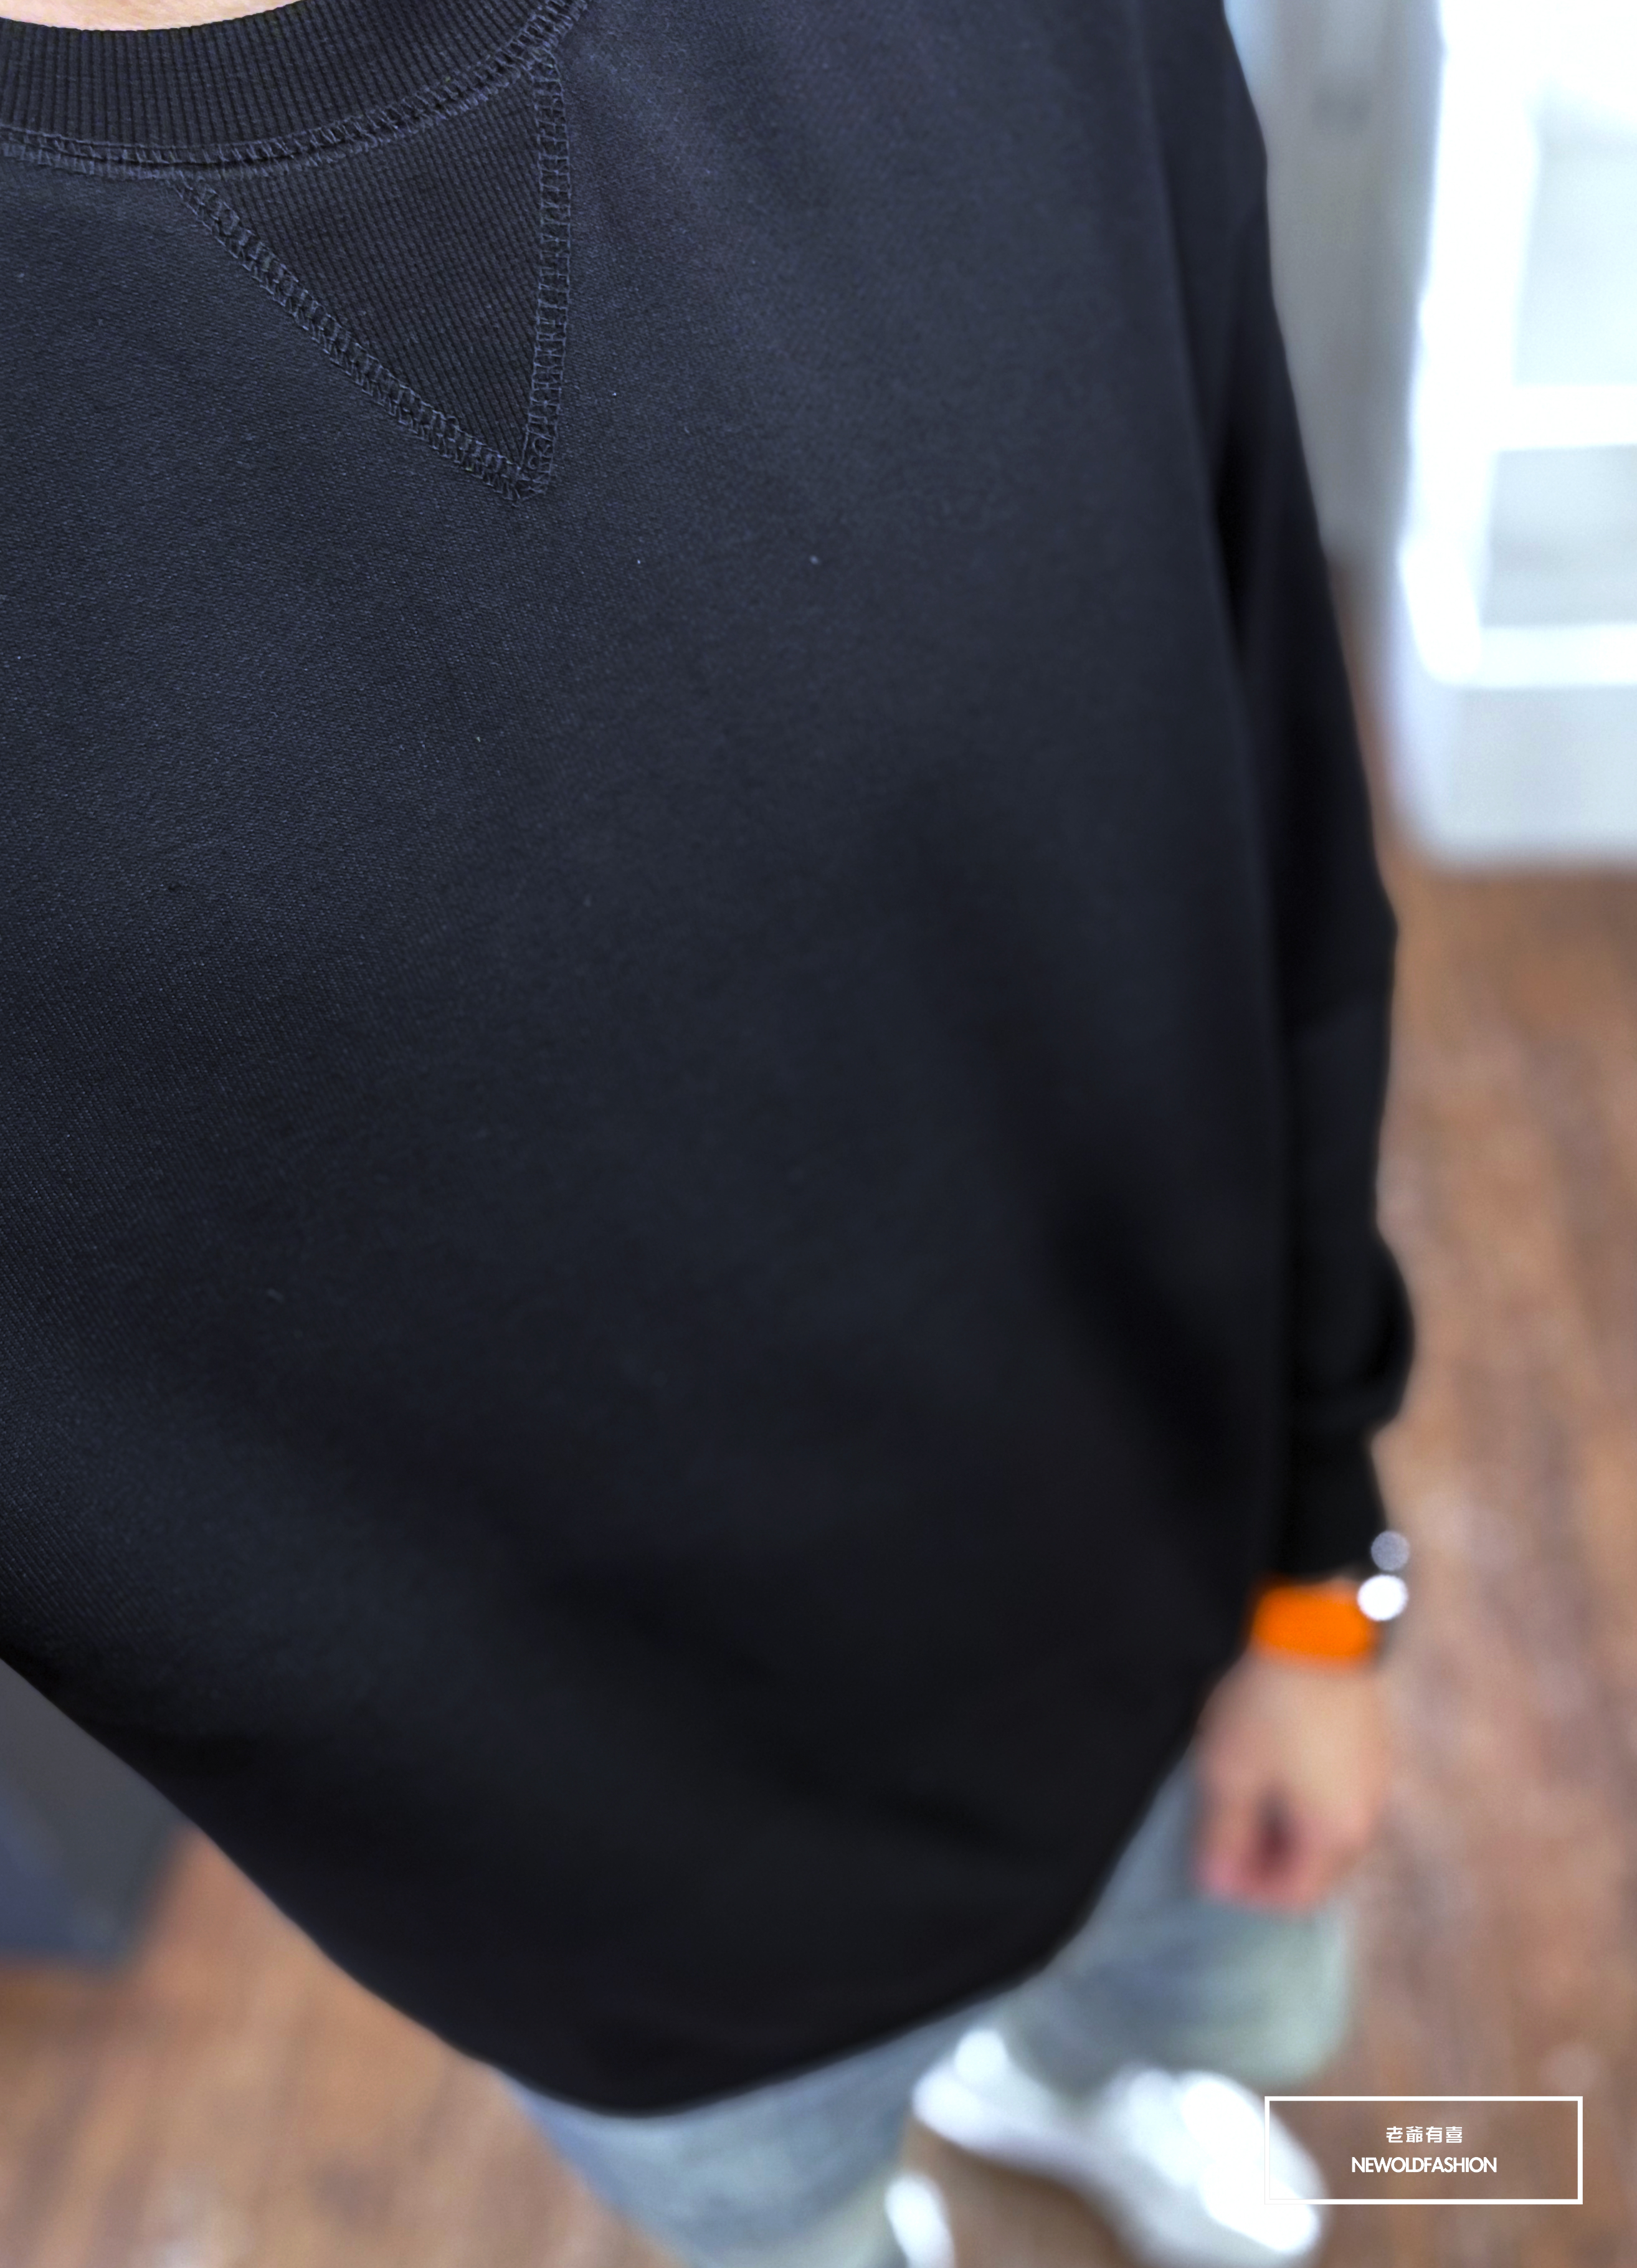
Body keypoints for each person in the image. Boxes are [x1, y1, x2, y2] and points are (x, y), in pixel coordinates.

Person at [0, 0, 1412, 2263]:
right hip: (598, 1926)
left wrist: (1325, 1567)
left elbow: (1273, 807)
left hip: (1166, 1615)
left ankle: (1082, 2082)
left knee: (1201, 1998)